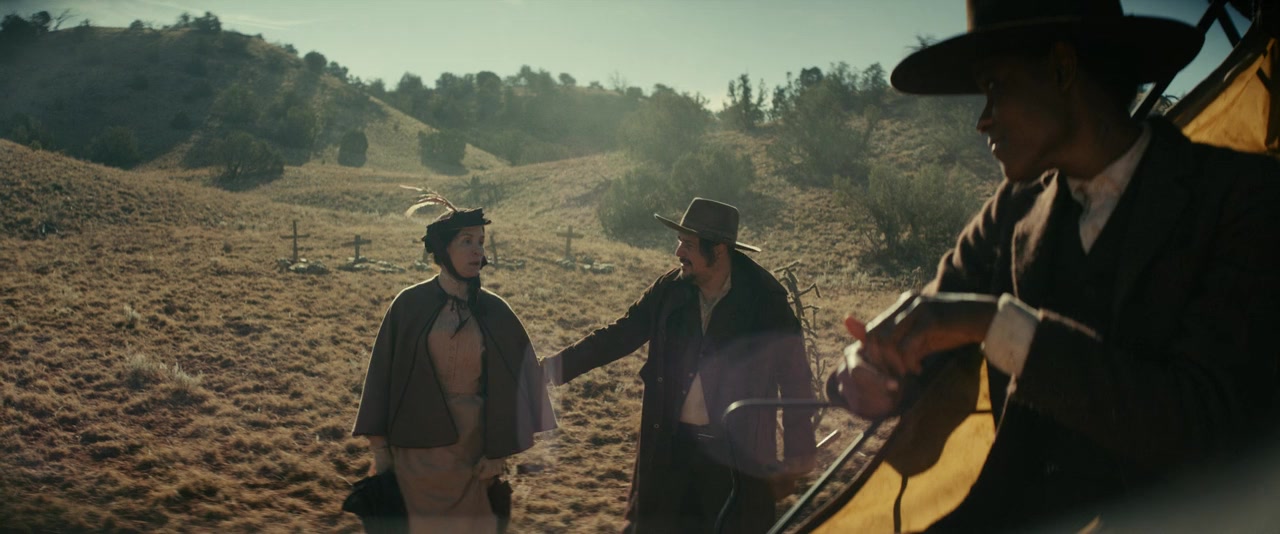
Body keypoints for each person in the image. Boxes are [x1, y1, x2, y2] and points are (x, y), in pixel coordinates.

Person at [828, 0, 1280, 531]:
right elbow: (925, 330)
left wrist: (996, 324)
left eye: (995, 86)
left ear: (1063, 68)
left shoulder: (1243, 199)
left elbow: (1208, 429)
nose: (982, 119)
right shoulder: (1013, 210)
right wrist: (865, 370)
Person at [542, 197, 817, 533]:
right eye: (679, 242)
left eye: (688, 245)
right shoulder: (669, 290)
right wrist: (552, 368)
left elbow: (795, 375)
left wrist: (798, 450)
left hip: (735, 457)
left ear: (718, 250)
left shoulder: (763, 299)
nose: (678, 253)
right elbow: (619, 334)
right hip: (670, 445)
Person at [352, 195, 556, 533]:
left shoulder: (495, 311)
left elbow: (516, 382)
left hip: (473, 456)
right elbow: (380, 377)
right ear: (444, 249)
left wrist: (499, 454)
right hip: (413, 453)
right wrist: (380, 450)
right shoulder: (409, 305)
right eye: (466, 241)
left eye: (481, 242)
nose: (478, 251)